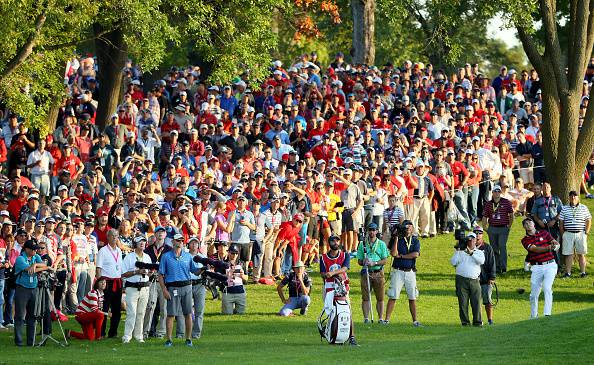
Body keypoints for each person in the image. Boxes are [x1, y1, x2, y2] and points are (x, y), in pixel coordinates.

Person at [158, 233, 202, 347]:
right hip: (172, 287)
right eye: (178, 240)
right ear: (173, 242)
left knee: (188, 313)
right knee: (171, 314)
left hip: (187, 287)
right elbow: (161, 274)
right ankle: (169, 339)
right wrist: (164, 290)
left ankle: (188, 339)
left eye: (182, 241)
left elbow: (194, 271)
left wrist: (203, 269)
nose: (180, 242)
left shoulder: (188, 256)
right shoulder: (166, 256)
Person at [320, 234, 357, 346]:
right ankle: (332, 334)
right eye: (333, 241)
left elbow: (345, 268)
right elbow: (322, 273)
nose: (335, 243)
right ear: (329, 243)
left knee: (347, 311)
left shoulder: (345, 255)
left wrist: (332, 273)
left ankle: (352, 337)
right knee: (331, 312)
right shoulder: (323, 257)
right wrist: (330, 275)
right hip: (329, 287)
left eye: (337, 241)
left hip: (342, 287)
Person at [13, 239, 51, 346]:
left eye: (36, 249)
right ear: (26, 249)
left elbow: (42, 264)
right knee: (20, 316)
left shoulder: (35, 257)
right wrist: (41, 267)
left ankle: (31, 341)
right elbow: (30, 270)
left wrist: (36, 265)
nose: (36, 251)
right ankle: (19, 341)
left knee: (32, 316)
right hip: (22, 289)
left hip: (34, 288)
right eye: (33, 249)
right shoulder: (20, 258)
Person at [520, 217, 559, 318]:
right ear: (524, 227)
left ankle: (547, 313)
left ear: (533, 224)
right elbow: (535, 249)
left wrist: (556, 245)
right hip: (536, 267)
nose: (528, 224)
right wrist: (549, 247)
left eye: (530, 222)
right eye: (525, 223)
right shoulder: (525, 240)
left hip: (550, 265)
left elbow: (554, 241)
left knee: (547, 287)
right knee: (533, 294)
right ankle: (534, 315)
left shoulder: (544, 233)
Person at [384, 220, 421, 326]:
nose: (408, 228)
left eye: (410, 227)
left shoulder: (415, 240)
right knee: (393, 296)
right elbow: (394, 253)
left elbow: (416, 254)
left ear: (412, 228)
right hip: (398, 271)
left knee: (412, 297)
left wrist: (402, 256)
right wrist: (395, 237)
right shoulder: (398, 240)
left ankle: (415, 320)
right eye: (406, 227)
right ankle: (387, 319)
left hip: (410, 271)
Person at [121, 235, 152, 343]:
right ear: (135, 244)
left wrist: (150, 273)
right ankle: (127, 336)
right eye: (140, 242)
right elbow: (123, 274)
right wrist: (136, 272)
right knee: (132, 313)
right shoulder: (129, 257)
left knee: (141, 313)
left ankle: (139, 336)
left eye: (144, 241)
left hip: (144, 287)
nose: (142, 243)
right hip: (132, 288)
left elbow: (150, 272)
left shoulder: (147, 257)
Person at [356, 222, 388, 323]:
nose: (372, 232)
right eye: (370, 230)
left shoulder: (381, 244)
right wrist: (363, 262)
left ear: (377, 231)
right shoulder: (362, 244)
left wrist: (374, 263)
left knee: (380, 297)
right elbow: (359, 260)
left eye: (373, 230)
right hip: (366, 272)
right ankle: (366, 318)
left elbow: (385, 260)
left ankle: (380, 318)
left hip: (378, 272)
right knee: (366, 297)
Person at [451, 233, 485, 326]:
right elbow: (453, 262)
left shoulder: (479, 252)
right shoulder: (460, 252)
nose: (472, 241)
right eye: (470, 240)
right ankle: (465, 322)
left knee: (476, 302)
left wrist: (471, 253)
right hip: (461, 280)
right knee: (463, 302)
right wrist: (458, 251)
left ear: (475, 241)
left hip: (474, 280)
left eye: (473, 239)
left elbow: (481, 261)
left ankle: (477, 322)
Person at [95, 228, 123, 338]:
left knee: (117, 309)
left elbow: (119, 267)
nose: (115, 237)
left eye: (116, 236)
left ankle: (113, 332)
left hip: (117, 281)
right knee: (104, 309)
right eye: (112, 235)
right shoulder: (103, 251)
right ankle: (101, 332)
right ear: (108, 237)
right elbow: (98, 268)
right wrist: (99, 285)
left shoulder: (119, 251)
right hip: (106, 282)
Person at [481, 185, 514, 274]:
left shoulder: (506, 202)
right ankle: (497, 267)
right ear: (492, 193)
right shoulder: (488, 203)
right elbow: (484, 216)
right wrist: (485, 227)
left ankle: (503, 268)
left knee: (502, 246)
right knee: (494, 248)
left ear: (501, 192)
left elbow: (511, 215)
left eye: (498, 191)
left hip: (503, 228)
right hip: (492, 228)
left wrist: (509, 226)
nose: (497, 193)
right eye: (495, 191)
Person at [558, 191, 591, 278]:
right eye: (571, 196)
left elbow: (588, 220)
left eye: (575, 196)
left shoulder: (584, 207)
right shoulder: (564, 208)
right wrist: (563, 234)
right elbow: (561, 222)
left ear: (578, 197)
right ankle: (568, 273)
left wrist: (586, 232)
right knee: (568, 254)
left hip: (581, 234)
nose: (573, 198)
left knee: (581, 254)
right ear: (569, 198)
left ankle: (583, 272)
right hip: (568, 234)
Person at [67, 277, 108, 341]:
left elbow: (98, 309)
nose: (103, 284)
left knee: (89, 338)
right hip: (81, 315)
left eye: (105, 282)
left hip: (87, 315)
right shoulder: (93, 293)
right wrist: (107, 313)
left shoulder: (101, 294)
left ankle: (70, 333)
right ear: (97, 284)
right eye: (101, 282)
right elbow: (95, 310)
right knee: (100, 315)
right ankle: (98, 337)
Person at [474, 226, 496, 325]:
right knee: (477, 301)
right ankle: (479, 320)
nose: (478, 235)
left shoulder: (487, 247)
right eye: (476, 233)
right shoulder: (469, 247)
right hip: (473, 279)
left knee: (487, 300)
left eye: (480, 233)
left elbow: (492, 262)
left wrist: (492, 277)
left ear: (482, 234)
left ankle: (490, 320)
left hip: (485, 279)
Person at [219, 244, 247, 315]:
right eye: (232, 253)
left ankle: (234, 308)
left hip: (240, 292)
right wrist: (228, 275)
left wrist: (242, 275)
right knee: (227, 314)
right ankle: (228, 308)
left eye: (236, 253)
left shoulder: (242, 263)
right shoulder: (223, 263)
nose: (234, 255)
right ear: (228, 252)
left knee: (240, 314)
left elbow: (247, 278)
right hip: (228, 292)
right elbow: (219, 278)